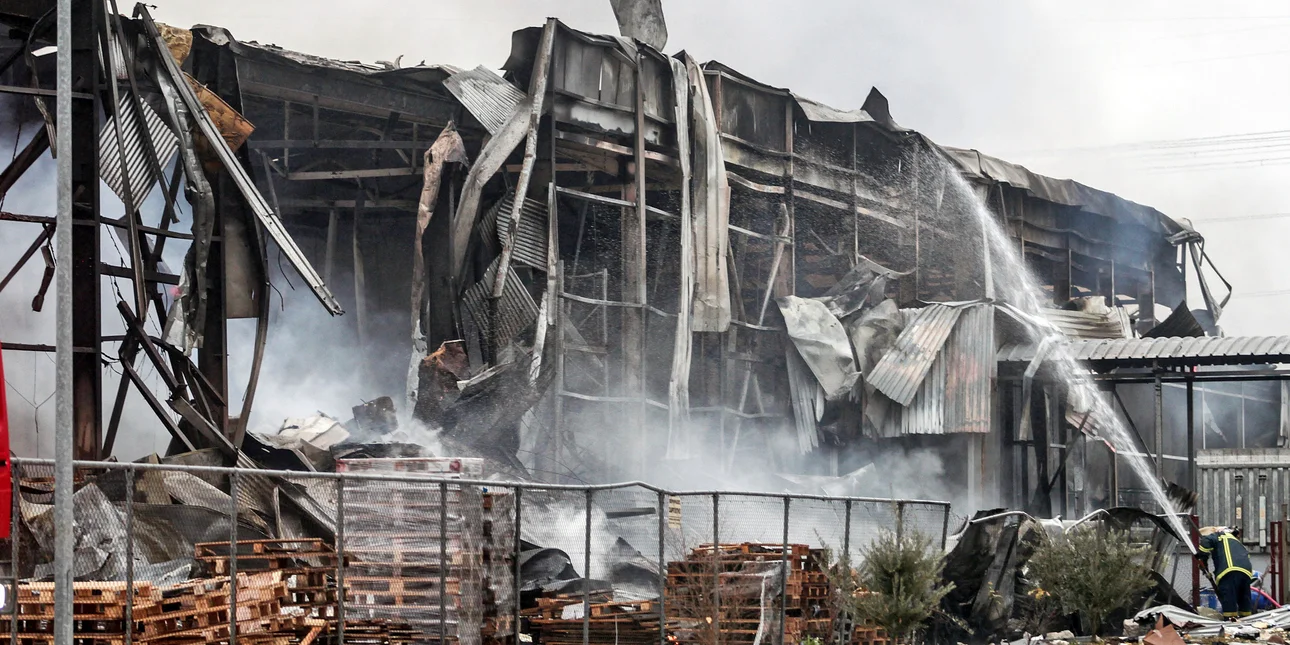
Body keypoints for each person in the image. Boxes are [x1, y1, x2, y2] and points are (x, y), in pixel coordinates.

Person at [1198, 527, 1254, 619]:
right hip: (1246, 572)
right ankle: (1247, 621)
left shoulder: (1220, 536)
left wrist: (1203, 561)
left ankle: (1230, 623)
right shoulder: (1236, 541)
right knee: (1244, 598)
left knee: (1229, 598)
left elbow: (1206, 541)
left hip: (1230, 570)